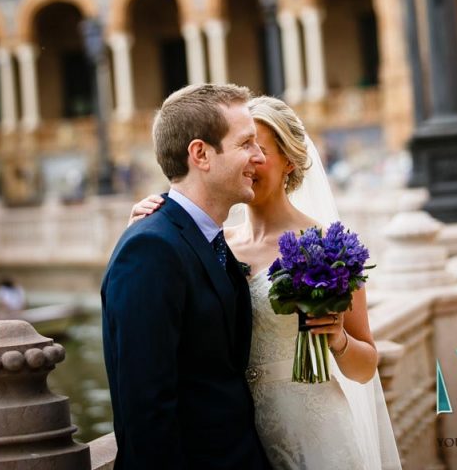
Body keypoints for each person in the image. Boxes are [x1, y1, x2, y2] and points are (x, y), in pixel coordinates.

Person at [130, 94, 401, 470]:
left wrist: (337, 339)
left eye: (261, 148)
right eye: (245, 146)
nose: (252, 159)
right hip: (235, 433)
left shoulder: (327, 246)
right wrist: (151, 222)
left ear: (289, 160)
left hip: (311, 429)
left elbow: (365, 366)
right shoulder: (213, 244)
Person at [101, 82, 272, 470]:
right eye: (246, 143)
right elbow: (147, 413)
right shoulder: (149, 251)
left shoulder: (208, 238)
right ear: (201, 154)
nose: (259, 157)